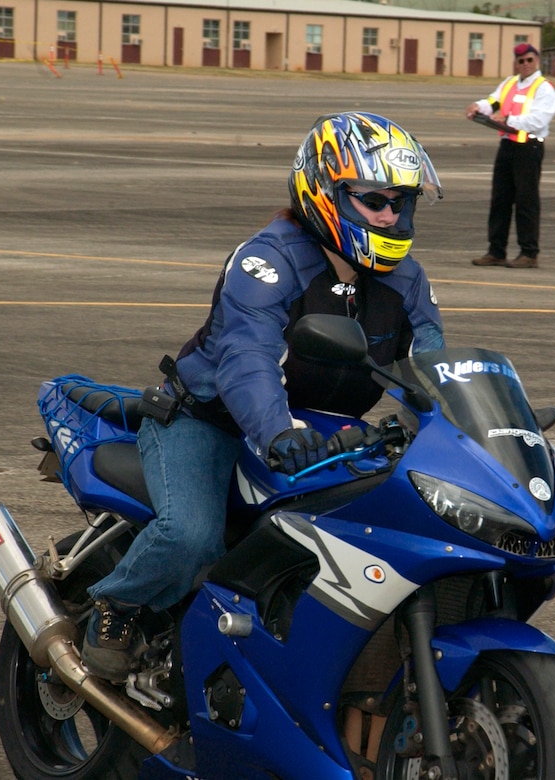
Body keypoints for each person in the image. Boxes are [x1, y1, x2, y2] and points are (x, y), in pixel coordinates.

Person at [81, 111, 446, 681]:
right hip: (208, 420)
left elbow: (430, 365)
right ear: (327, 193)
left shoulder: (406, 281)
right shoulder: (267, 260)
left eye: (401, 202)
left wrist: (453, 425)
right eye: (374, 200)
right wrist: (277, 432)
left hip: (319, 432)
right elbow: (247, 359)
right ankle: (115, 605)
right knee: (192, 536)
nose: (390, 215)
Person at [466, 43, 555, 269]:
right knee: (500, 200)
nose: (525, 64)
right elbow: (492, 102)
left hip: (529, 147)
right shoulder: (509, 83)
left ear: (536, 60)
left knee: (526, 201)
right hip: (507, 145)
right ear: (516, 62)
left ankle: (529, 253)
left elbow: (538, 120)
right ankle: (496, 251)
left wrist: (507, 120)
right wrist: (477, 107)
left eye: (529, 60)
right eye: (521, 61)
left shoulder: (543, 88)